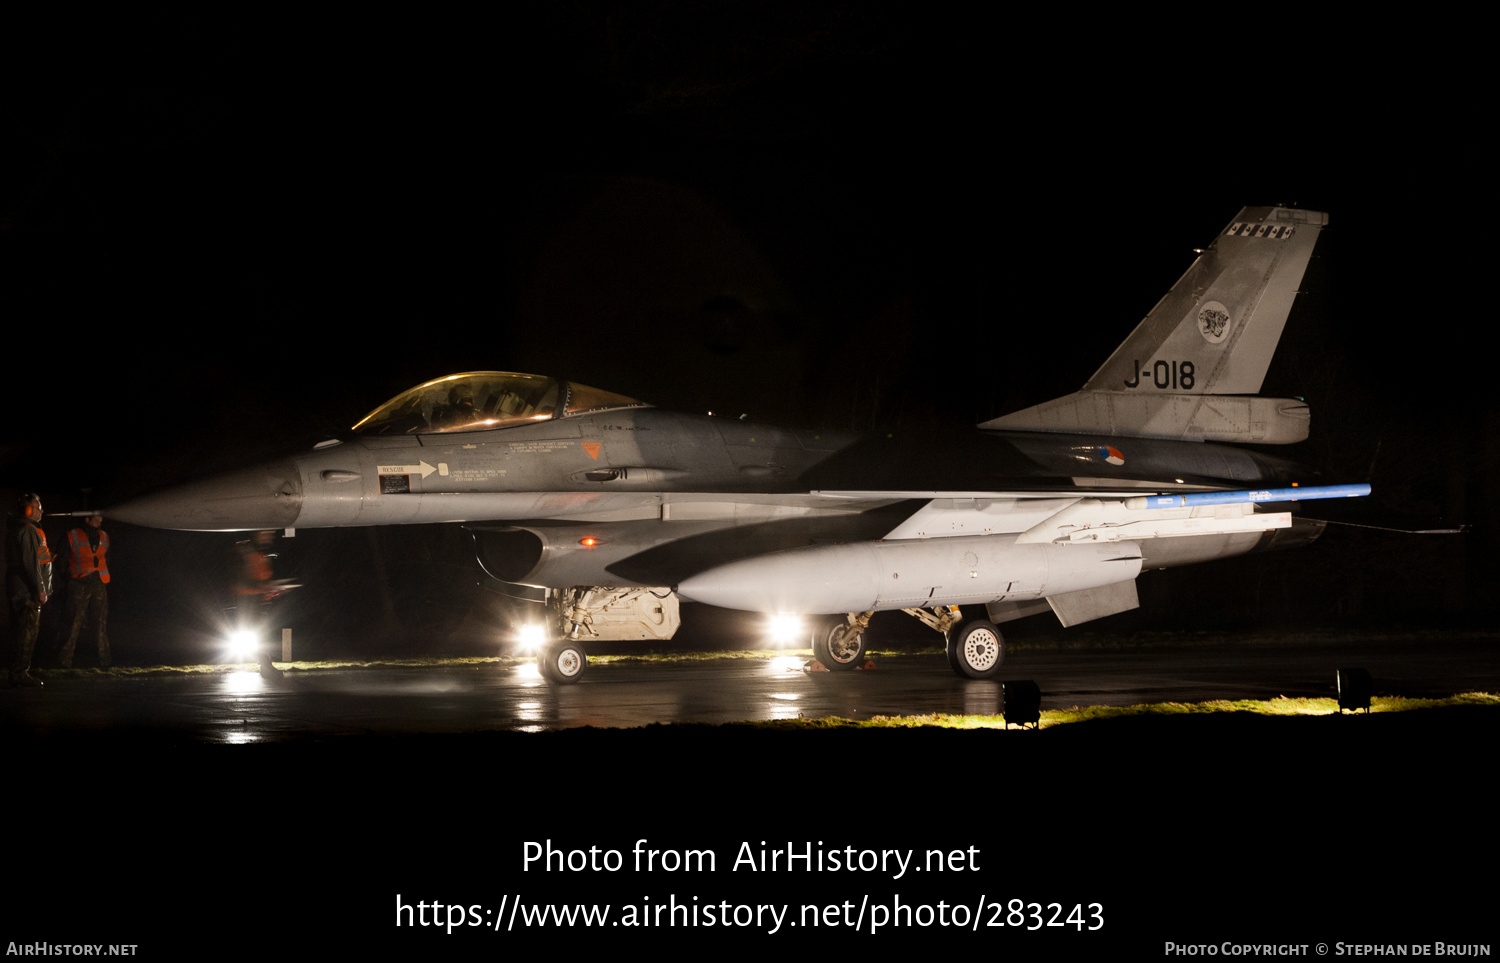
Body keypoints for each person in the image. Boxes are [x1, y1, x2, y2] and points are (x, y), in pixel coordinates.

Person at [6, 493, 53, 687]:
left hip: (22, 589)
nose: (41, 510)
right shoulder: (27, 530)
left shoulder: (23, 529)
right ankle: (19, 674)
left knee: (24, 631)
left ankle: (19, 672)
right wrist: (40, 589)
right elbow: (30, 564)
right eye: (38, 506)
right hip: (27, 592)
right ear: (28, 510)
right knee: (27, 632)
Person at [59, 512, 110, 669]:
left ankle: (103, 663)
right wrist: (70, 579)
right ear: (87, 518)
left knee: (100, 623)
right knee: (73, 622)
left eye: (101, 516)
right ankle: (63, 662)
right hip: (78, 582)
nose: (100, 519)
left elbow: (106, 557)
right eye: (97, 516)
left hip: (98, 582)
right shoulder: (71, 535)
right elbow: (61, 561)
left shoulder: (104, 536)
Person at [234, 530, 282, 678]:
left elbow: (260, 576)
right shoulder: (247, 551)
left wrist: (268, 587)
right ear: (257, 534)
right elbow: (240, 577)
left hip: (256, 600)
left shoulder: (260, 553)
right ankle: (266, 666)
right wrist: (261, 586)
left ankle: (266, 665)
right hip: (248, 601)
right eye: (267, 533)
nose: (271, 536)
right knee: (258, 635)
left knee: (262, 635)